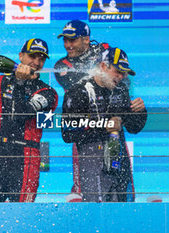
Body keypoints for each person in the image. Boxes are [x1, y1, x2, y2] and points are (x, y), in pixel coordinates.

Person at [0, 38, 58, 202]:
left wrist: (20, 83)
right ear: (21, 56)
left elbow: (20, 116)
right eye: (32, 56)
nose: (36, 62)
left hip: (26, 157)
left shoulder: (48, 92)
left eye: (41, 58)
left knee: (21, 215)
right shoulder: (3, 82)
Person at [61, 47, 147, 202]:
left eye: (124, 72)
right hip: (91, 157)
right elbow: (67, 132)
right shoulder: (79, 91)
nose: (121, 76)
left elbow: (134, 127)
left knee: (124, 207)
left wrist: (140, 111)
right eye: (118, 71)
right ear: (103, 66)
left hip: (119, 156)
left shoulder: (121, 90)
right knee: (94, 210)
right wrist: (103, 125)